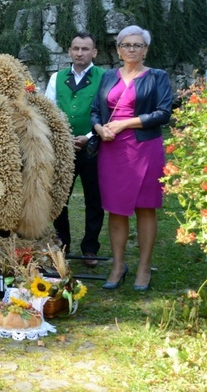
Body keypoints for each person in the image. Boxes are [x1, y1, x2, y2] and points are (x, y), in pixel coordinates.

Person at [91, 25, 173, 291]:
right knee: (115, 209)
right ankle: (117, 266)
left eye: (137, 45)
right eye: (126, 45)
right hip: (111, 149)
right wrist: (99, 128)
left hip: (145, 148)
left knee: (145, 207)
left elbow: (163, 113)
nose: (131, 49)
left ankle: (144, 267)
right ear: (118, 49)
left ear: (146, 49)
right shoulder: (107, 77)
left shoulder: (157, 76)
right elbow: (95, 112)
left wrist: (125, 124)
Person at [45, 32, 104, 267]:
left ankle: (90, 248)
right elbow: (50, 111)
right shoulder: (56, 78)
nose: (80, 53)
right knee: (60, 198)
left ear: (94, 52)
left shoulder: (105, 77)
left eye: (85, 49)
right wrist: (65, 138)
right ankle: (63, 244)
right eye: (76, 48)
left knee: (94, 199)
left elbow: (106, 112)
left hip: (94, 148)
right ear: (69, 51)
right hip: (64, 148)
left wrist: (89, 136)